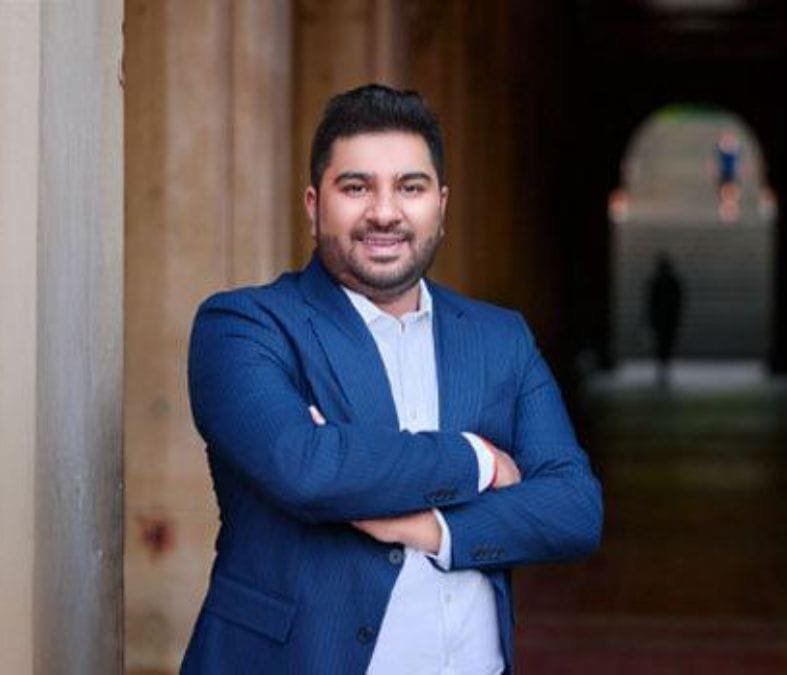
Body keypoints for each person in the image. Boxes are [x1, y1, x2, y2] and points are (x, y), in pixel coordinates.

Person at [181, 84, 603, 674]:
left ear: (441, 205)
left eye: (410, 187)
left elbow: (574, 508)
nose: (384, 212)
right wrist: (477, 461)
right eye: (356, 187)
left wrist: (433, 528)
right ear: (313, 205)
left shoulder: (499, 337)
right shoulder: (245, 327)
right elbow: (307, 468)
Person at [646, 253, 684, 385]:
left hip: (662, 320)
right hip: (668, 320)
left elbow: (651, 302)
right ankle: (664, 366)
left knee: (661, 344)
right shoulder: (672, 282)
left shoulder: (657, 282)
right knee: (666, 344)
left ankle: (662, 366)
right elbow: (678, 301)